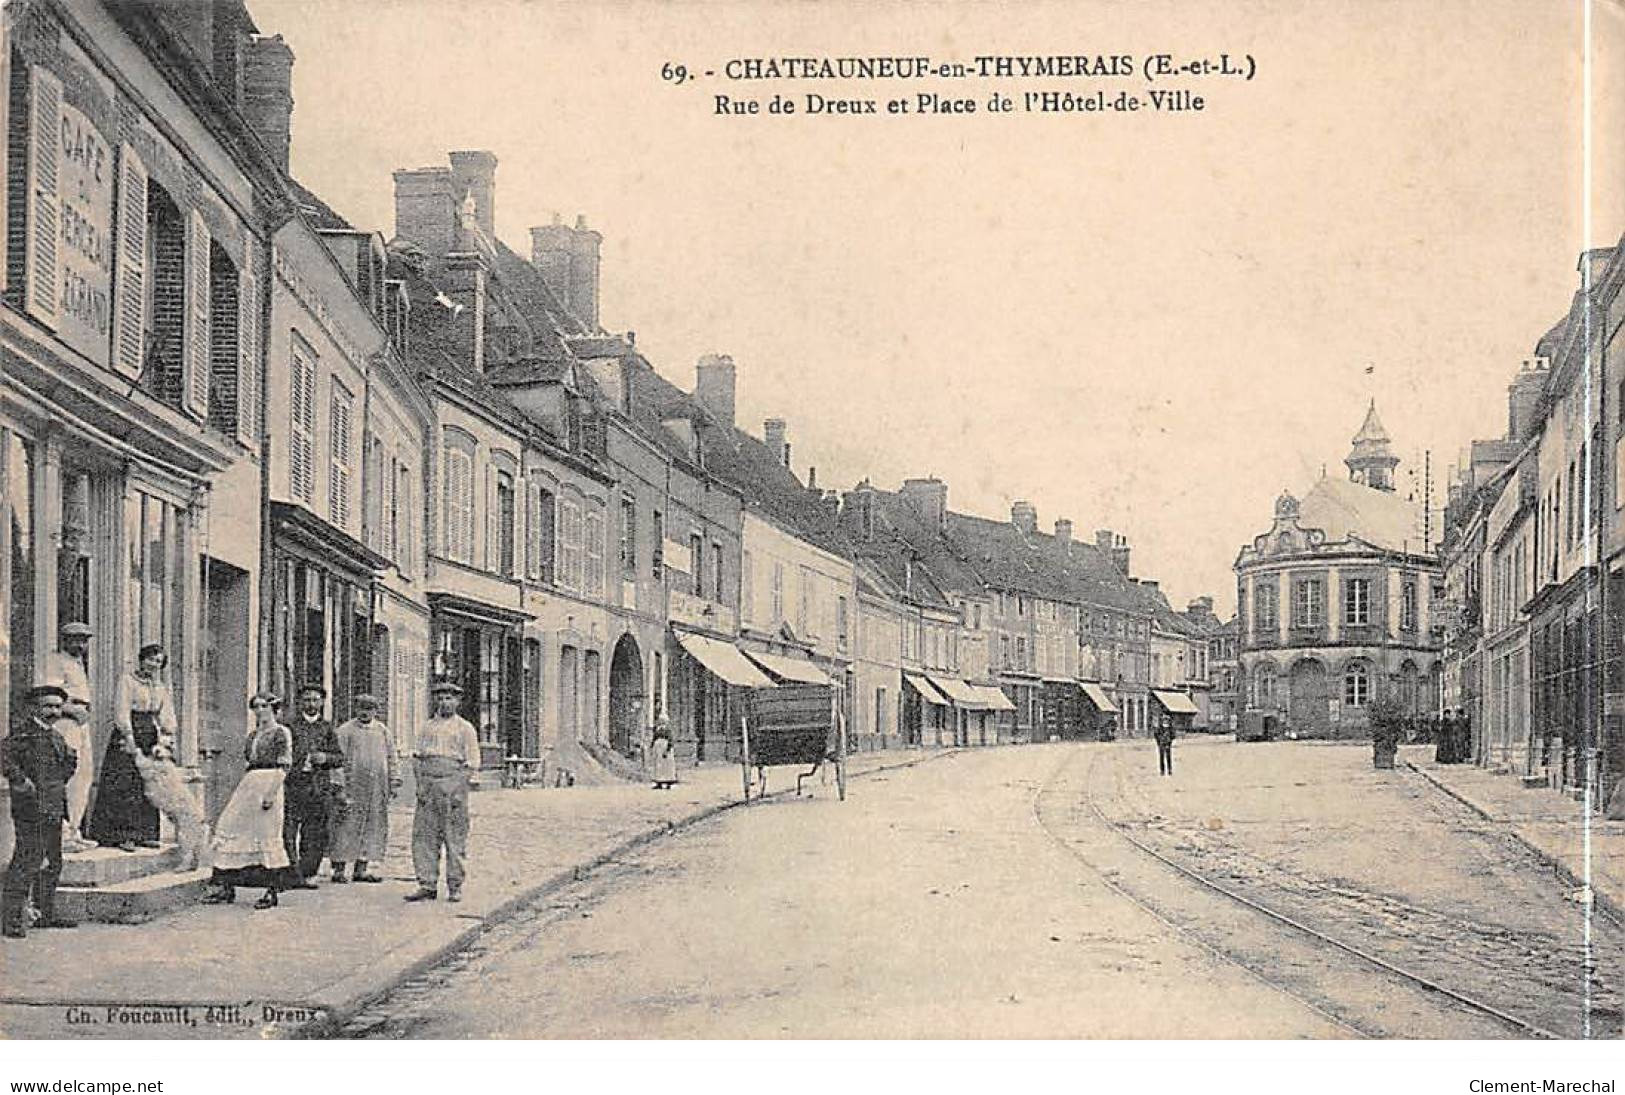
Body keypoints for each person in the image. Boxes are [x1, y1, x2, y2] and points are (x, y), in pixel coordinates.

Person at [204, 693, 296, 910]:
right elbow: (249, 762)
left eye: (264, 706)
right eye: (256, 707)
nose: (260, 711)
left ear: (275, 709)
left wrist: (271, 793)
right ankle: (227, 886)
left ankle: (271, 891)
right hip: (250, 784)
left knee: (266, 835)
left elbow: (285, 765)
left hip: (270, 781)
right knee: (229, 826)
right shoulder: (253, 735)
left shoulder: (282, 732)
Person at [3, 684, 78, 937]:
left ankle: (45, 914)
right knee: (27, 860)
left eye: (58, 707)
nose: (54, 711)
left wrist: (57, 785)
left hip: (53, 807)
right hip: (30, 808)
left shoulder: (57, 737)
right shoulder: (24, 734)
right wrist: (20, 781)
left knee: (53, 862)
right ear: (35, 708)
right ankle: (11, 921)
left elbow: (69, 763)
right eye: (48, 706)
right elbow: (4, 756)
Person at [86, 643, 175, 852]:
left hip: (149, 735)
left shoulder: (160, 687)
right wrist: (129, 738)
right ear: (141, 659)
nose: (153, 665)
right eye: (151, 659)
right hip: (128, 734)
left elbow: (166, 715)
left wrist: (164, 738)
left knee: (148, 784)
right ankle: (121, 835)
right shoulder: (127, 681)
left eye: (158, 662)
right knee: (125, 782)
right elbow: (122, 710)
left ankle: (145, 833)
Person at [406, 680, 480, 904]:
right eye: (440, 698)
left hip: (453, 782)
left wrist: (459, 789)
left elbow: (472, 762)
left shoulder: (465, 728)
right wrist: (420, 786)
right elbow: (417, 758)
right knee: (424, 836)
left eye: (449, 698)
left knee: (454, 837)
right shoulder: (427, 727)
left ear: (457, 701)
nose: (444, 702)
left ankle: (455, 885)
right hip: (429, 783)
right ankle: (427, 883)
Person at [329, 694, 398, 884]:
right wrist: (338, 785)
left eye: (369, 709)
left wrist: (394, 779)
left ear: (375, 711)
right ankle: (339, 869)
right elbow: (336, 760)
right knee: (345, 826)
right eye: (361, 708)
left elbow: (392, 756)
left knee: (372, 825)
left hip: (376, 787)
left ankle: (362, 867)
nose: (365, 713)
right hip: (352, 786)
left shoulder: (382, 731)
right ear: (356, 709)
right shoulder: (345, 731)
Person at [282, 684, 344, 888]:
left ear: (322, 702)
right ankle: (291, 872)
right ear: (300, 702)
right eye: (307, 699)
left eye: (315, 699)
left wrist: (325, 757)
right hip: (294, 785)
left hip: (318, 787)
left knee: (315, 832)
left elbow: (339, 758)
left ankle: (309, 873)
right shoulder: (290, 726)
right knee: (289, 830)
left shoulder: (327, 728)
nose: (311, 703)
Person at [55, 692, 94, 851]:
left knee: (83, 777)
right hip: (64, 722)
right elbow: (44, 693)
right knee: (67, 776)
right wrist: (69, 709)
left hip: (80, 722)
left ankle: (74, 831)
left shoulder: (78, 666)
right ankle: (62, 835)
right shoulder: (52, 665)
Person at [650, 722, 677, 790]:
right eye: (660, 722)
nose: (661, 725)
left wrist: (667, 750)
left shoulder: (668, 731)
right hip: (657, 750)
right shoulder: (656, 730)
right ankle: (659, 783)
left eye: (663, 723)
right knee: (658, 766)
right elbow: (654, 739)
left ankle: (668, 783)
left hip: (664, 748)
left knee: (667, 766)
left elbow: (670, 740)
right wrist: (652, 747)